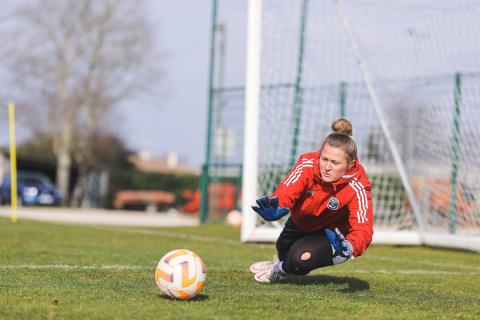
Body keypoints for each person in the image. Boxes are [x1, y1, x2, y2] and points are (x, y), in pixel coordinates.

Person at [250, 118, 373, 283]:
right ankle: (280, 261)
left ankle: (279, 268)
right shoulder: (308, 164)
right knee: (283, 248)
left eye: (335, 162)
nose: (327, 167)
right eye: (324, 159)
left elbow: (363, 229)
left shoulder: (358, 186)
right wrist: (278, 205)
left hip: (331, 236)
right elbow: (288, 189)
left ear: (350, 164)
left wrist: (350, 246)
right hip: (300, 223)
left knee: (298, 261)